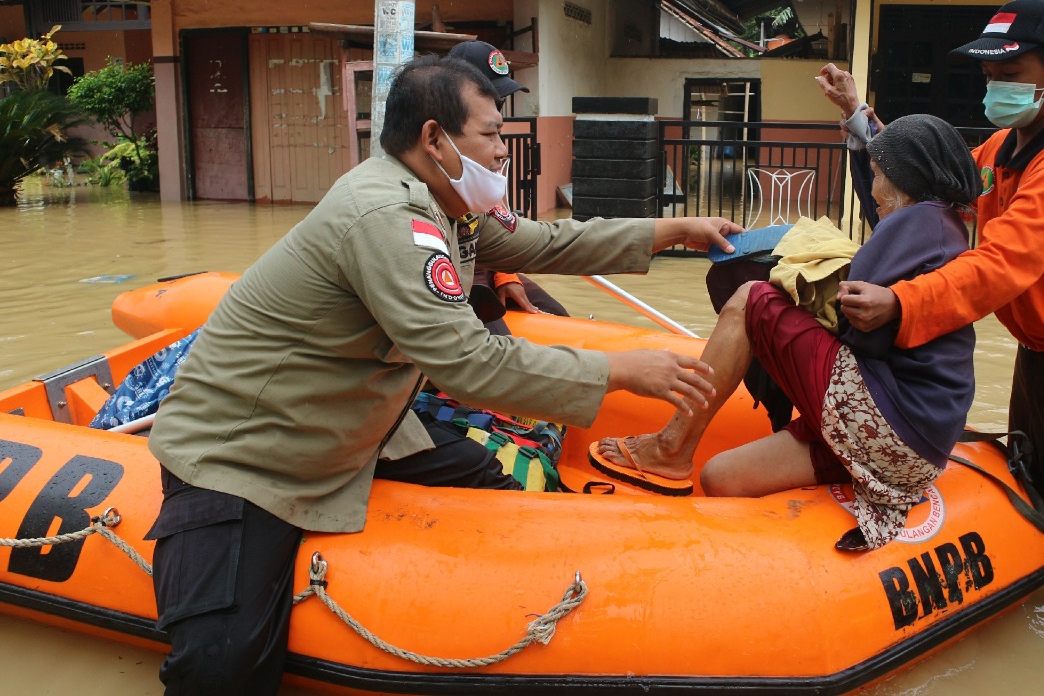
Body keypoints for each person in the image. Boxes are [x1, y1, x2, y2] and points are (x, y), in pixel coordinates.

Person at [144, 53, 741, 694]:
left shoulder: (446, 202)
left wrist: (670, 229)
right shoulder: (389, 217)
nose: (504, 151)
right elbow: (468, 361)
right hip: (250, 449)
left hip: (352, 427)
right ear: (435, 137)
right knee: (223, 664)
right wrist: (620, 369)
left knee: (481, 478)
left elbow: (546, 242)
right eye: (492, 134)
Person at [822, 0, 1044, 637]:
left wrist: (903, 301)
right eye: (991, 77)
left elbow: (1002, 266)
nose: (997, 87)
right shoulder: (1006, 148)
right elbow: (932, 179)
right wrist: (860, 118)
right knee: (1042, 483)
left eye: (1012, 73)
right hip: (1040, 357)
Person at [590, 114, 981, 554]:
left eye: (876, 178)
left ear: (903, 180)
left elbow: (858, 326)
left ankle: (671, 447)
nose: (872, 193)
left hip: (889, 418)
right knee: (722, 476)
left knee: (753, 297)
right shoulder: (943, 226)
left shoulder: (920, 220)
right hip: (916, 452)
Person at [447, 39, 572, 333]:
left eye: (499, 100)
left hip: (489, 263)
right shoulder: (448, 151)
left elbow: (505, 223)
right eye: (490, 98)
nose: (498, 108)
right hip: (457, 269)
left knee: (556, 316)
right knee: (496, 341)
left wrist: (506, 275)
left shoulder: (489, 147)